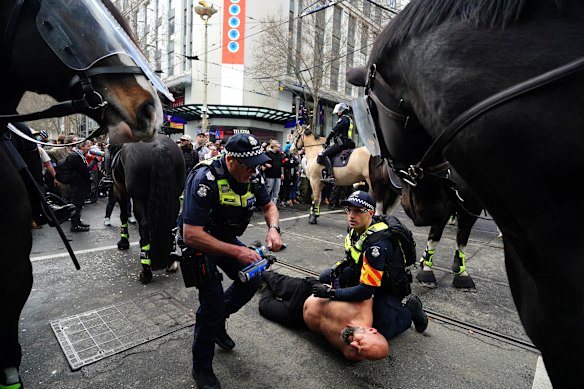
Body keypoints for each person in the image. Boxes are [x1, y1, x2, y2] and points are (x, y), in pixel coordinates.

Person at [178, 133, 283, 389]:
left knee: (252, 280)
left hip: (223, 236)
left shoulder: (252, 174)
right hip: (198, 241)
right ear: (231, 160)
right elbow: (191, 234)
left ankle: (214, 324)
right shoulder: (206, 179)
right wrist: (237, 252)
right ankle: (201, 368)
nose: (253, 171)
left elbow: (269, 206)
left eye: (256, 165)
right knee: (211, 303)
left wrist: (274, 229)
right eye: (248, 166)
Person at [315, 190, 428, 341]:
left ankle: (411, 309)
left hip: (387, 286)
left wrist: (331, 293)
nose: (351, 215)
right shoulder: (356, 228)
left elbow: (366, 290)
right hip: (364, 272)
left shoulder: (377, 246)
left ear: (370, 213)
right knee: (326, 276)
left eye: (357, 211)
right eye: (349, 210)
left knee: (382, 330)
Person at [259, 271, 389, 361]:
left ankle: (265, 287)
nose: (353, 345)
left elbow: (361, 351)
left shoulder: (351, 354)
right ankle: (261, 271)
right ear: (371, 330)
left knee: (264, 306)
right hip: (308, 292)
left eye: (360, 351)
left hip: (298, 317)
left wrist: (360, 352)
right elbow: (367, 286)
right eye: (359, 342)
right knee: (268, 277)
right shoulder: (363, 308)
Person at [318, 102, 355, 184]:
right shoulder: (349, 119)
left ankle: (330, 176)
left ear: (343, 111)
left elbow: (335, 129)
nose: (337, 113)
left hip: (343, 143)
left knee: (325, 154)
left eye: (339, 111)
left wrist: (328, 139)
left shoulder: (343, 119)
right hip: (349, 142)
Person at [68, 140, 93, 232]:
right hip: (78, 184)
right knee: (76, 205)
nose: (90, 148)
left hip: (80, 183)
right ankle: (75, 225)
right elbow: (84, 170)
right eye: (88, 146)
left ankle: (78, 222)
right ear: (81, 147)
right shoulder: (75, 156)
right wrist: (94, 161)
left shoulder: (78, 155)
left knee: (79, 204)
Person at [262, 140, 285, 206]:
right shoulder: (267, 153)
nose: (279, 148)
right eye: (278, 147)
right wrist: (266, 164)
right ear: (274, 147)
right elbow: (262, 161)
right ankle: (266, 205)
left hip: (278, 176)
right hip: (270, 176)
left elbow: (281, 165)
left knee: (276, 192)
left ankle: (273, 206)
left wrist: (282, 173)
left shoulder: (280, 154)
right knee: (268, 191)